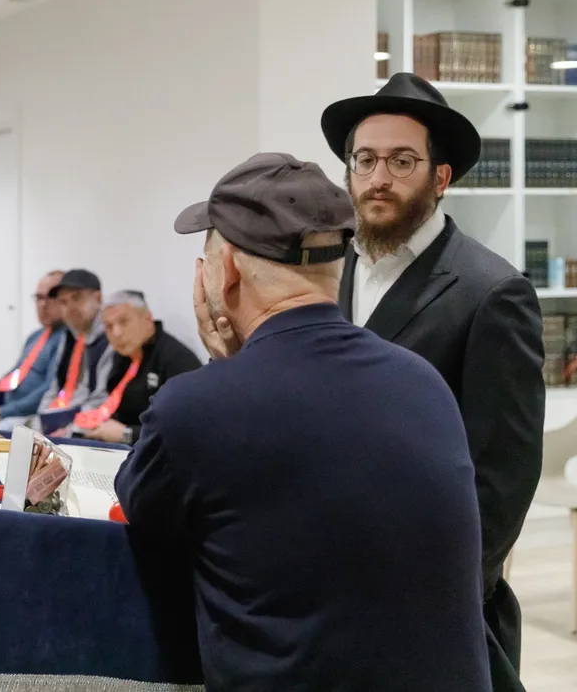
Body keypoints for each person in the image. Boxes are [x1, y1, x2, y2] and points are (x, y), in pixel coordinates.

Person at [116, 152, 490, 691]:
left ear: (226, 270)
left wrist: (224, 370)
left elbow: (144, 515)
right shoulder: (423, 382)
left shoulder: (194, 408)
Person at [321, 73, 544, 692]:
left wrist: (452, 588)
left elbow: (504, 473)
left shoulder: (492, 292)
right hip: (332, 579)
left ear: (440, 177)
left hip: (430, 595)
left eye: (402, 161)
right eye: (365, 160)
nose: (378, 177)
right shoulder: (330, 268)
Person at [73, 289, 199, 444]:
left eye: (124, 322)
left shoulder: (176, 360)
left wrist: (128, 434)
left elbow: (184, 428)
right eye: (109, 326)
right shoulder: (121, 355)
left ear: (147, 318)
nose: (117, 333)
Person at [0, 270, 66, 417]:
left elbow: (48, 390)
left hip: (27, 416)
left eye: (51, 297)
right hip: (6, 409)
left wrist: (2, 412)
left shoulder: (66, 339)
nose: (43, 304)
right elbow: (15, 373)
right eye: (39, 297)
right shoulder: (35, 337)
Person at [37, 269, 108, 413]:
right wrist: (43, 415)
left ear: (98, 298)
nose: (70, 308)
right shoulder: (69, 336)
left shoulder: (111, 336)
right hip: (61, 415)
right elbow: (55, 387)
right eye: (63, 302)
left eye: (77, 298)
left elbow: (99, 398)